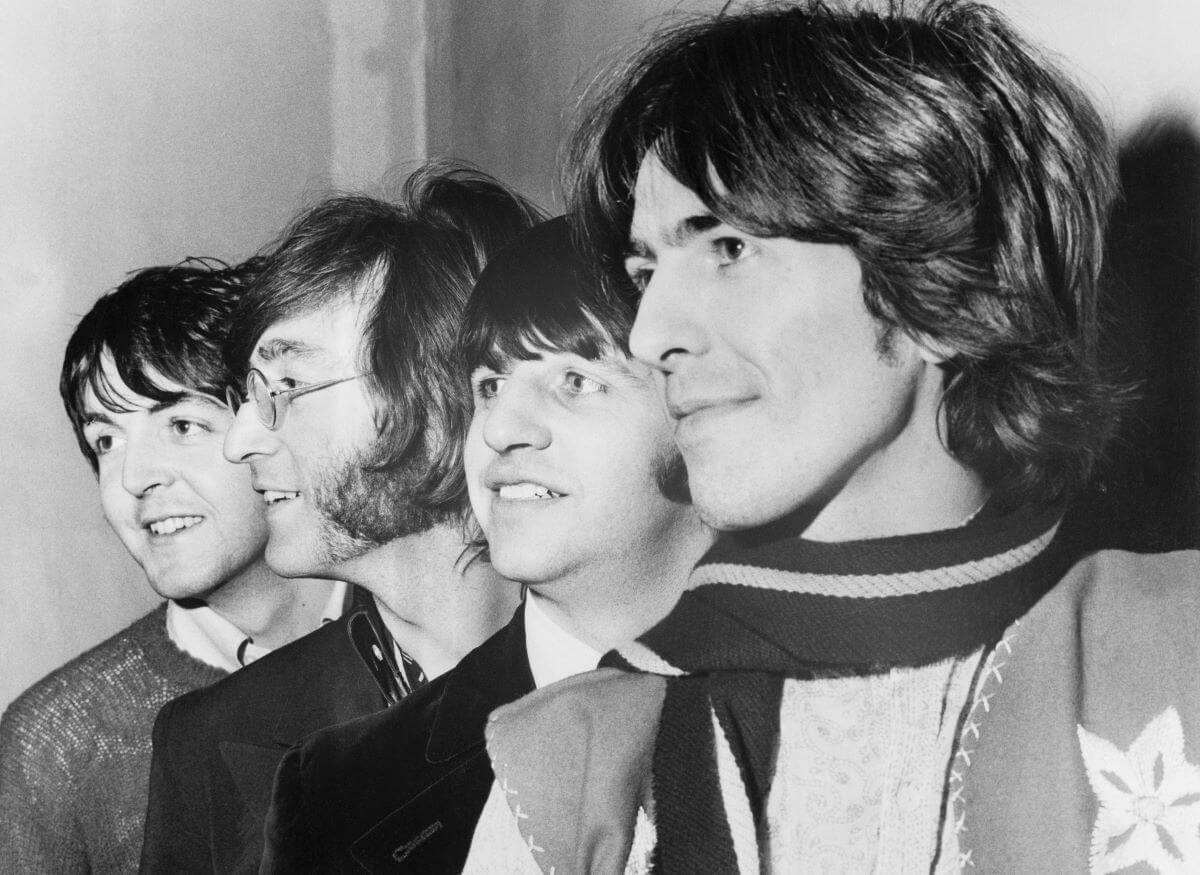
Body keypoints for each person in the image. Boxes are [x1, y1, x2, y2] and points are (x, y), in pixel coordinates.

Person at [474, 3, 1200, 873]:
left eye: (729, 248)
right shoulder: (584, 768)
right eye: (644, 271)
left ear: (950, 290)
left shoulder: (1171, 651)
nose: (647, 333)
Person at [256, 216, 714, 872]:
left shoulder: (828, 702)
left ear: (699, 408)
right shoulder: (343, 788)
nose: (500, 426)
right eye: (488, 386)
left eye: (573, 381)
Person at [139, 163, 542, 874]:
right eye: (247, 395)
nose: (240, 441)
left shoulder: (638, 670)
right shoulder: (210, 741)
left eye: (286, 387)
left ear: (442, 392)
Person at [0, 258, 345, 875]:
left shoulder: (422, 636)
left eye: (182, 424)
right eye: (106, 441)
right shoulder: (54, 745)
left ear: (266, 432)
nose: (133, 479)